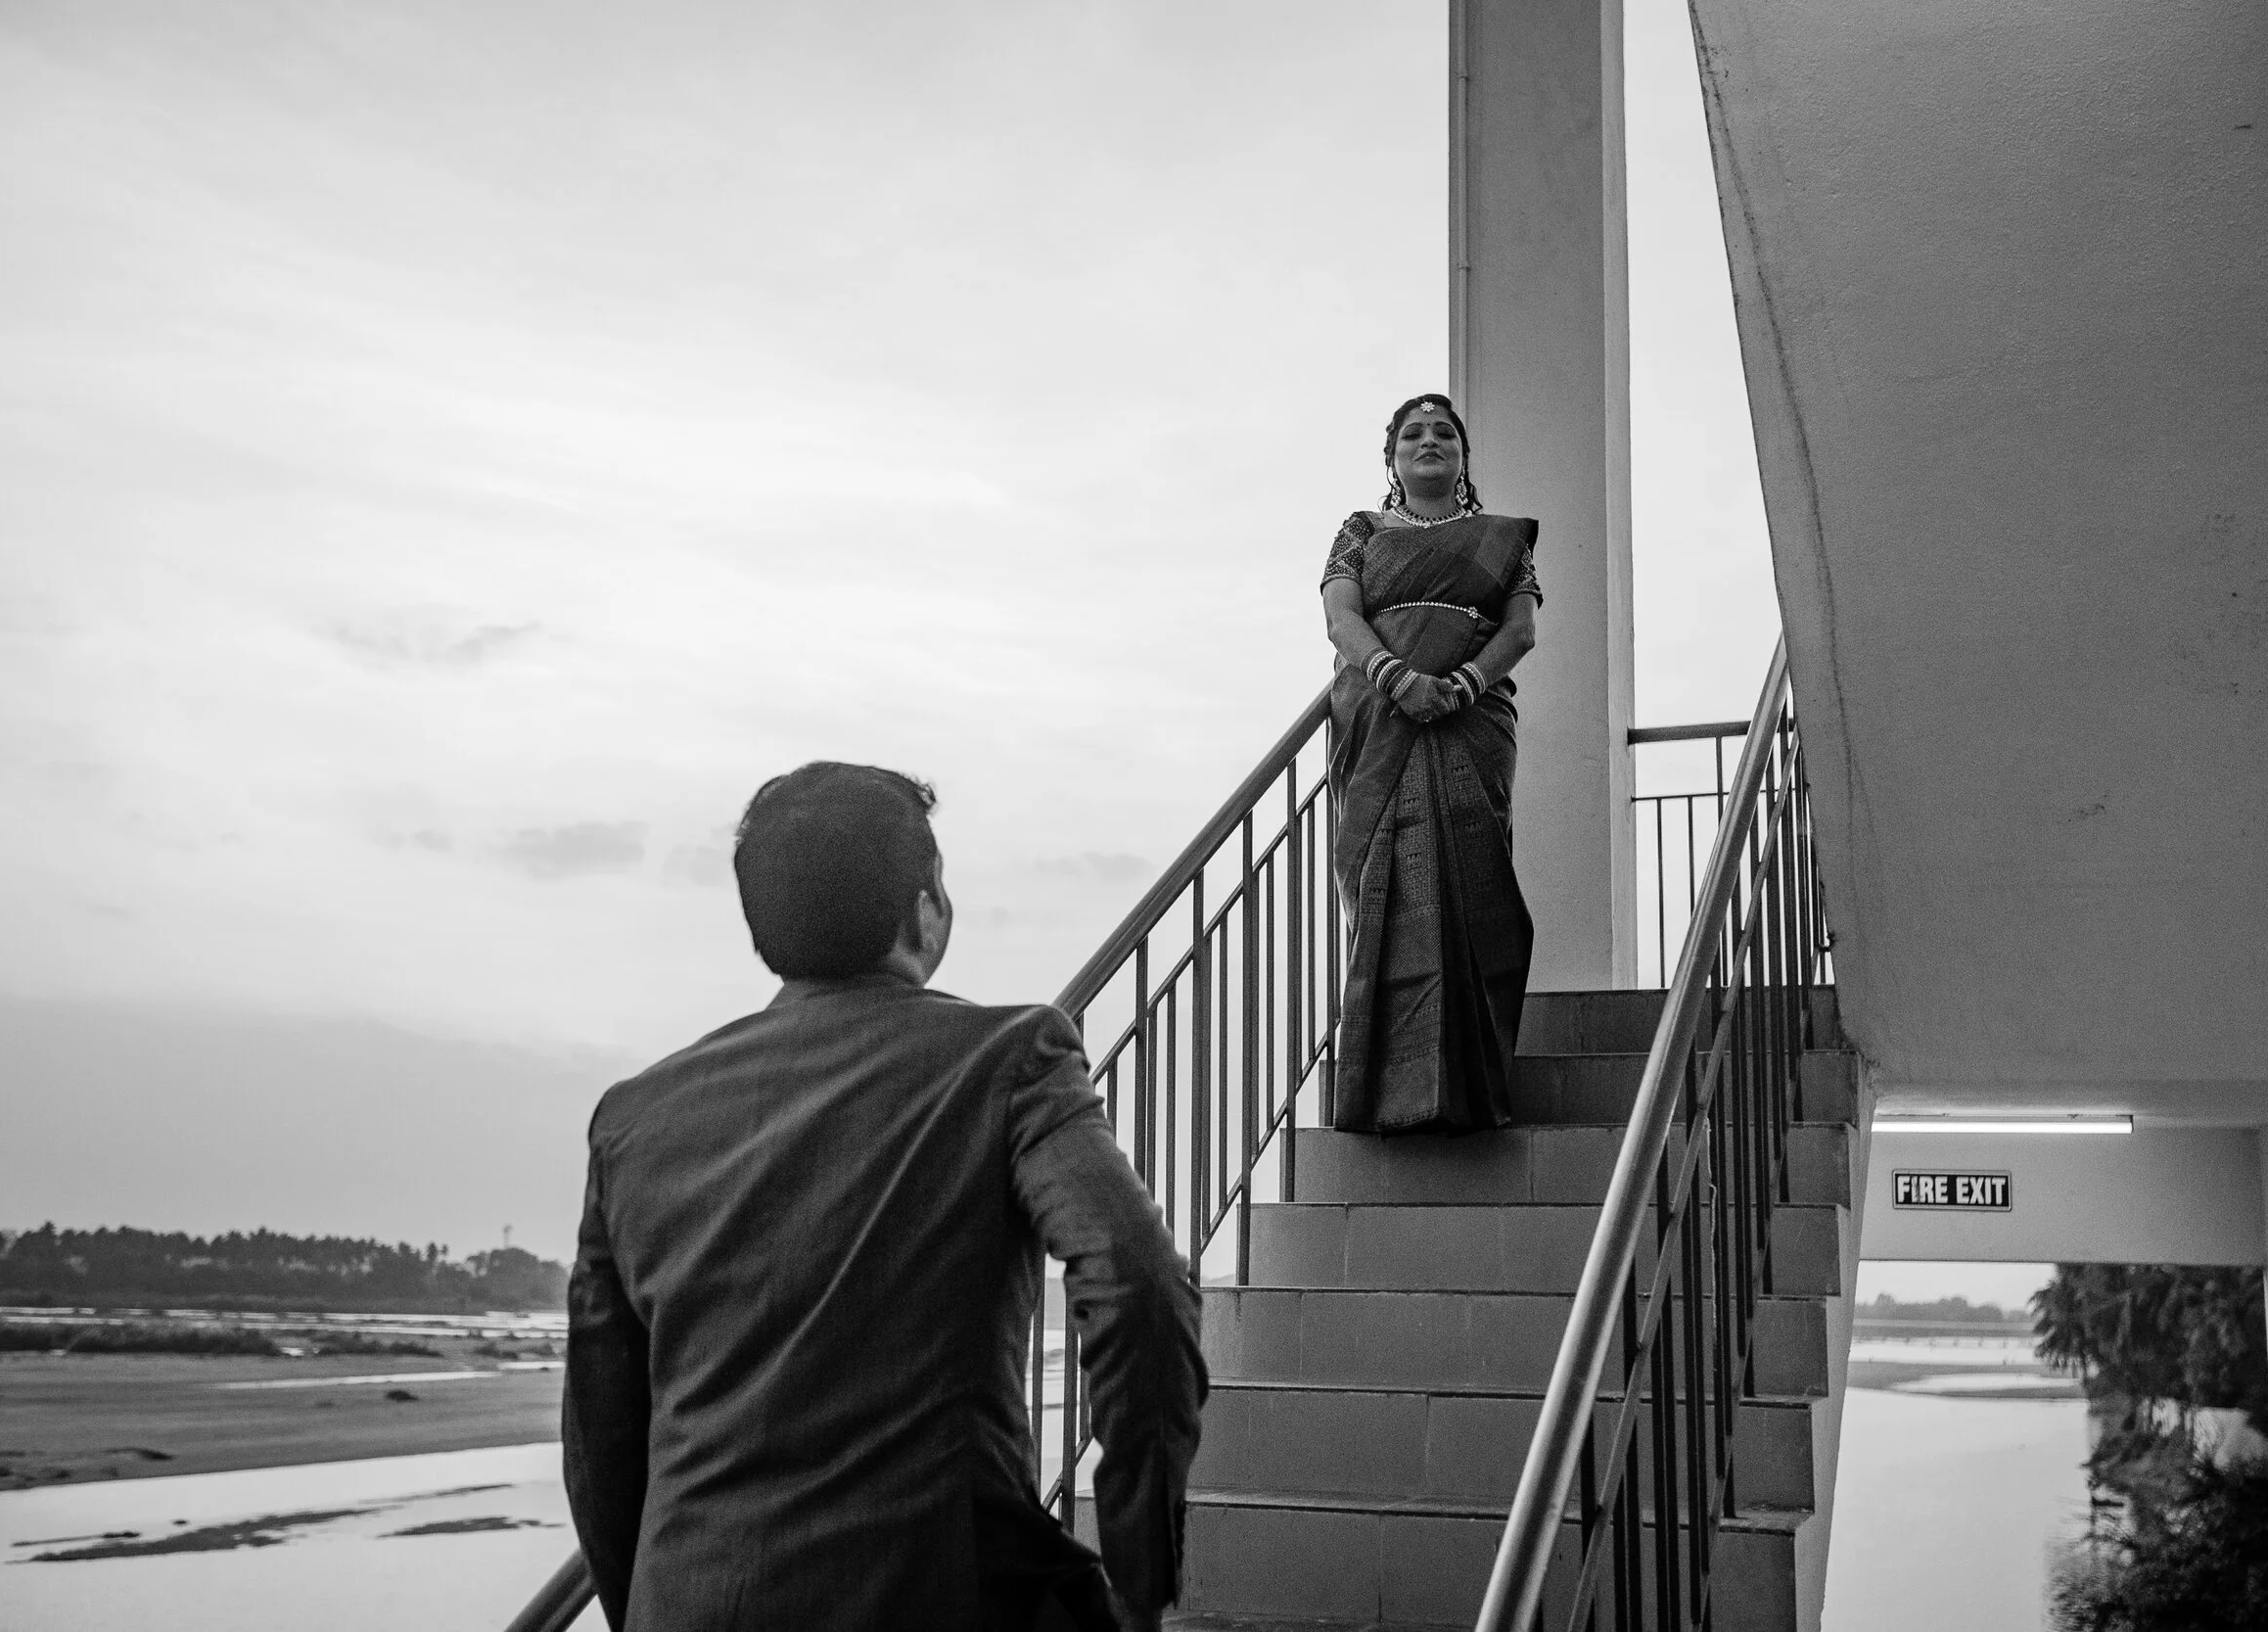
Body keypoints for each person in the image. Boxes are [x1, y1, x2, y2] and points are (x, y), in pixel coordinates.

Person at [563, 763, 1206, 1632]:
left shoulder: (633, 1120)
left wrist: (647, 1602)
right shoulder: (1010, 1058)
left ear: (763, 920)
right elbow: (1136, 1280)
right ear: (925, 904)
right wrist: (1138, 1568)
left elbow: (600, 1441)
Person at [1319, 394, 1541, 1133]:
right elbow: (1340, 617)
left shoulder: (1501, 539)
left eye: (1444, 432)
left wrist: (1462, 685)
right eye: (1412, 433)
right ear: (1392, 459)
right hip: (1381, 723)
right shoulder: (1361, 531)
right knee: (1389, 886)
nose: (1429, 440)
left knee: (1471, 891)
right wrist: (1396, 678)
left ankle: (1472, 1090)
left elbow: (1521, 629)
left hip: (1471, 723)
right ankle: (1386, 1093)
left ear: (1463, 457)